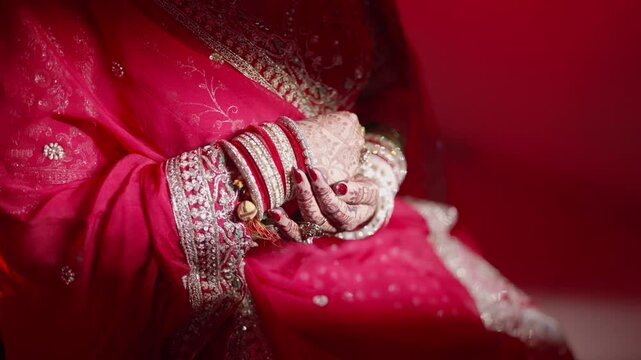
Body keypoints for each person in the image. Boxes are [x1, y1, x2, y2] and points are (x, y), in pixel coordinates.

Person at [0, 0, 573, 358]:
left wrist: (374, 168)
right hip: (194, 288)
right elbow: (42, 226)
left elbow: (382, 77)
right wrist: (265, 165)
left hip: (353, 242)